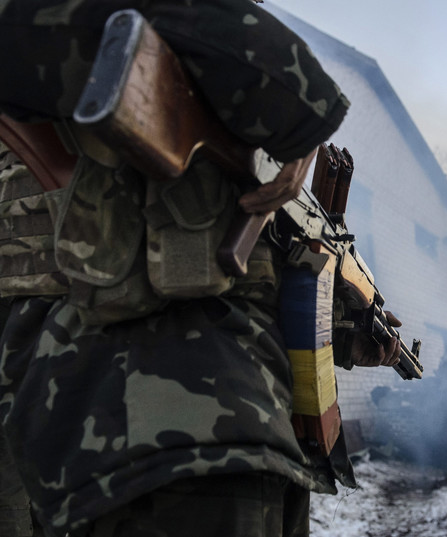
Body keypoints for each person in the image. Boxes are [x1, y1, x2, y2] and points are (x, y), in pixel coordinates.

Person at [0, 1, 401, 536]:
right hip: (167, 401)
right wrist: (302, 103)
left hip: (104, 396)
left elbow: (254, 261)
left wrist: (344, 337)